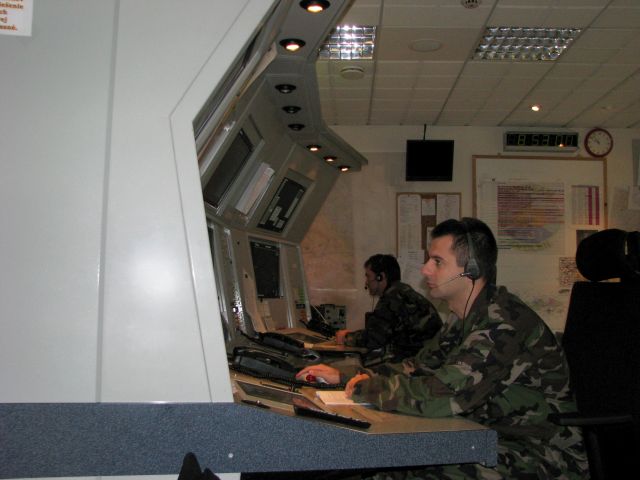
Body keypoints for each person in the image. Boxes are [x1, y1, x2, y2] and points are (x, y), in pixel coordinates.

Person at [297, 218, 588, 479]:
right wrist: (345, 377)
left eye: (437, 261)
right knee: (385, 467)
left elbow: (444, 396)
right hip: (487, 435)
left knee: (408, 471)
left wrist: (365, 389)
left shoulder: (502, 324)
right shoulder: (461, 319)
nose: (425, 269)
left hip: (541, 452)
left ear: (471, 270)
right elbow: (415, 368)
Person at [334, 254, 442, 362]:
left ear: (380, 277)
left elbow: (374, 339)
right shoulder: (403, 292)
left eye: (368, 276)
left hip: (418, 361)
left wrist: (346, 337)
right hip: (429, 358)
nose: (366, 282)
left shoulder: (392, 298)